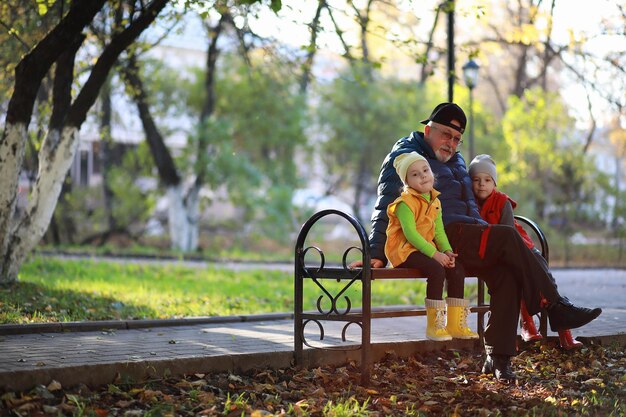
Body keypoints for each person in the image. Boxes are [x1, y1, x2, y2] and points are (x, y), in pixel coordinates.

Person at [352, 102, 601, 382]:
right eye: (446, 134)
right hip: (444, 237)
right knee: (507, 237)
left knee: (506, 273)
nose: (451, 143)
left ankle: (498, 358)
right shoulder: (407, 157)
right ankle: (555, 306)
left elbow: (471, 200)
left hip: (471, 235)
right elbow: (387, 201)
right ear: (428, 130)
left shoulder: (457, 160)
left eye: (457, 138)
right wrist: (375, 251)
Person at [468, 154, 583, 351]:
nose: (481, 185)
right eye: (476, 180)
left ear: (494, 182)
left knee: (541, 274)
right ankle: (526, 324)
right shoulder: (469, 204)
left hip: (520, 246)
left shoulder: (501, 201)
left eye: (487, 180)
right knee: (513, 277)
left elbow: (507, 233)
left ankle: (564, 330)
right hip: (493, 253)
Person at [385, 152, 478, 342]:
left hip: (425, 249)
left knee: (457, 269)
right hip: (404, 250)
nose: (422, 176)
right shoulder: (404, 203)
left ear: (432, 172)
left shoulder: (435, 201)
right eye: (415, 174)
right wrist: (435, 255)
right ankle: (434, 326)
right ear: (407, 181)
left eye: (425, 170)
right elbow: (411, 235)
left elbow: (439, 232)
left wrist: (446, 251)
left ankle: (455, 324)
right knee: (437, 269)